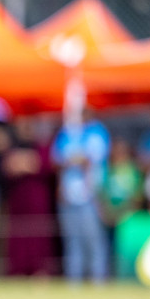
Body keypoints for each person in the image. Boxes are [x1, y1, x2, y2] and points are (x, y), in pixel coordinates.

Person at [52, 108, 110, 283]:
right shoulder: (67, 132)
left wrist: (75, 160)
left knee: (94, 241)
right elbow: (57, 161)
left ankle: (98, 281)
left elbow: (92, 160)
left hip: (90, 196)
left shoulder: (97, 132)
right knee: (72, 242)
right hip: (68, 197)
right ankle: (74, 282)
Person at [0, 116, 58, 276]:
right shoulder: (12, 146)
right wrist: (28, 162)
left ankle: (40, 271)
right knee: (19, 238)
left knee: (39, 238)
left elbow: (44, 165)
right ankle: (18, 271)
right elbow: (8, 167)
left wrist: (24, 163)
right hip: (18, 203)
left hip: (39, 202)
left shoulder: (44, 146)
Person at [101, 136, 142, 274]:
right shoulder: (109, 170)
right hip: (110, 218)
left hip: (127, 219)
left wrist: (128, 214)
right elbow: (102, 193)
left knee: (125, 251)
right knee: (109, 249)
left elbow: (137, 195)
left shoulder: (132, 170)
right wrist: (106, 212)